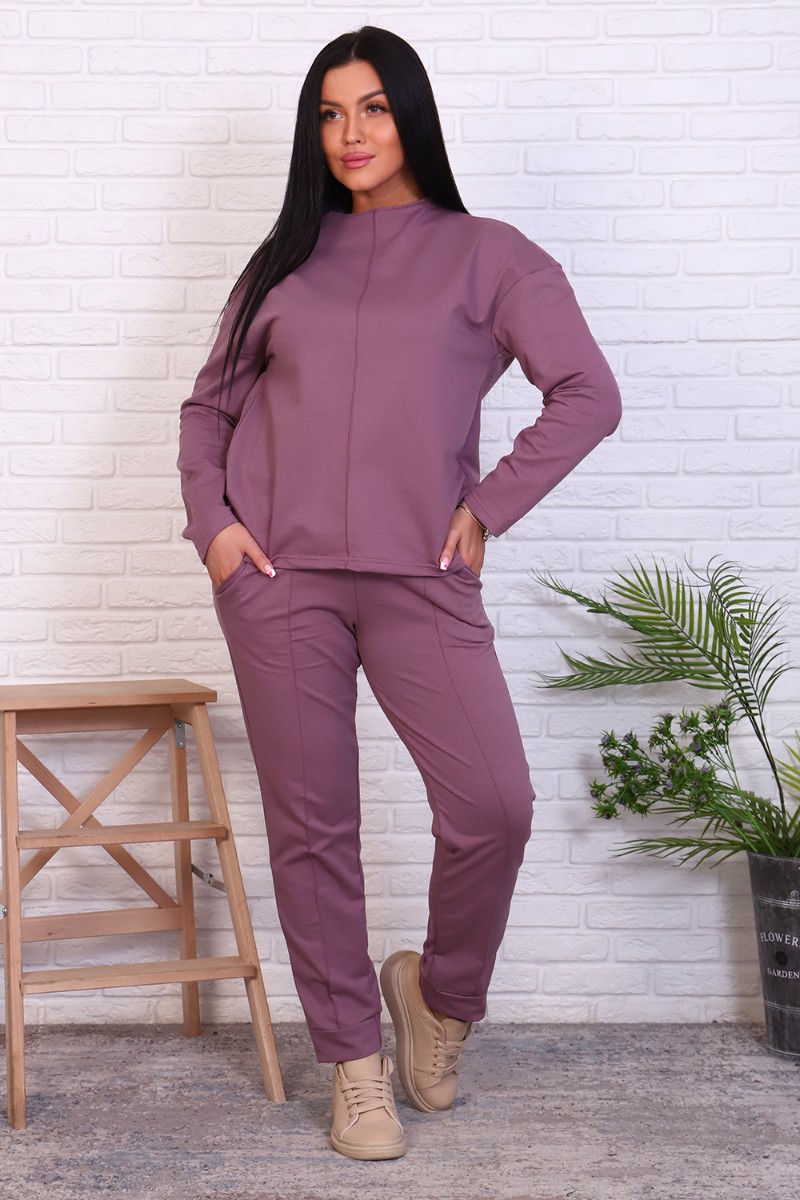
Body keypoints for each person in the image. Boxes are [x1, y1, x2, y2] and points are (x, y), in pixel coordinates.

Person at [177, 25, 622, 1161]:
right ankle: (354, 1067)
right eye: (329, 115)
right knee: (313, 828)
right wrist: (216, 530)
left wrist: (488, 507)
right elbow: (208, 411)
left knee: (495, 807)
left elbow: (586, 391)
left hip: (422, 577)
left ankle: (437, 997)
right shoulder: (282, 261)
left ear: (410, 114)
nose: (351, 134)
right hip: (280, 582)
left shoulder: (490, 256)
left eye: (372, 108)